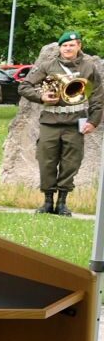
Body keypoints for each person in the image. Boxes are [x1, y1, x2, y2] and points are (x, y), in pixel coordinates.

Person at [20, 31, 103, 216]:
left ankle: (63, 202)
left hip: (75, 122)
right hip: (51, 121)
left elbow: (97, 96)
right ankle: (48, 201)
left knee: (71, 162)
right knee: (46, 161)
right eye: (64, 45)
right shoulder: (47, 65)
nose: (68, 48)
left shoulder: (89, 67)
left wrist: (94, 121)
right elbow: (24, 86)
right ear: (60, 47)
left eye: (71, 45)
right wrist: (41, 96)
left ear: (79, 46)